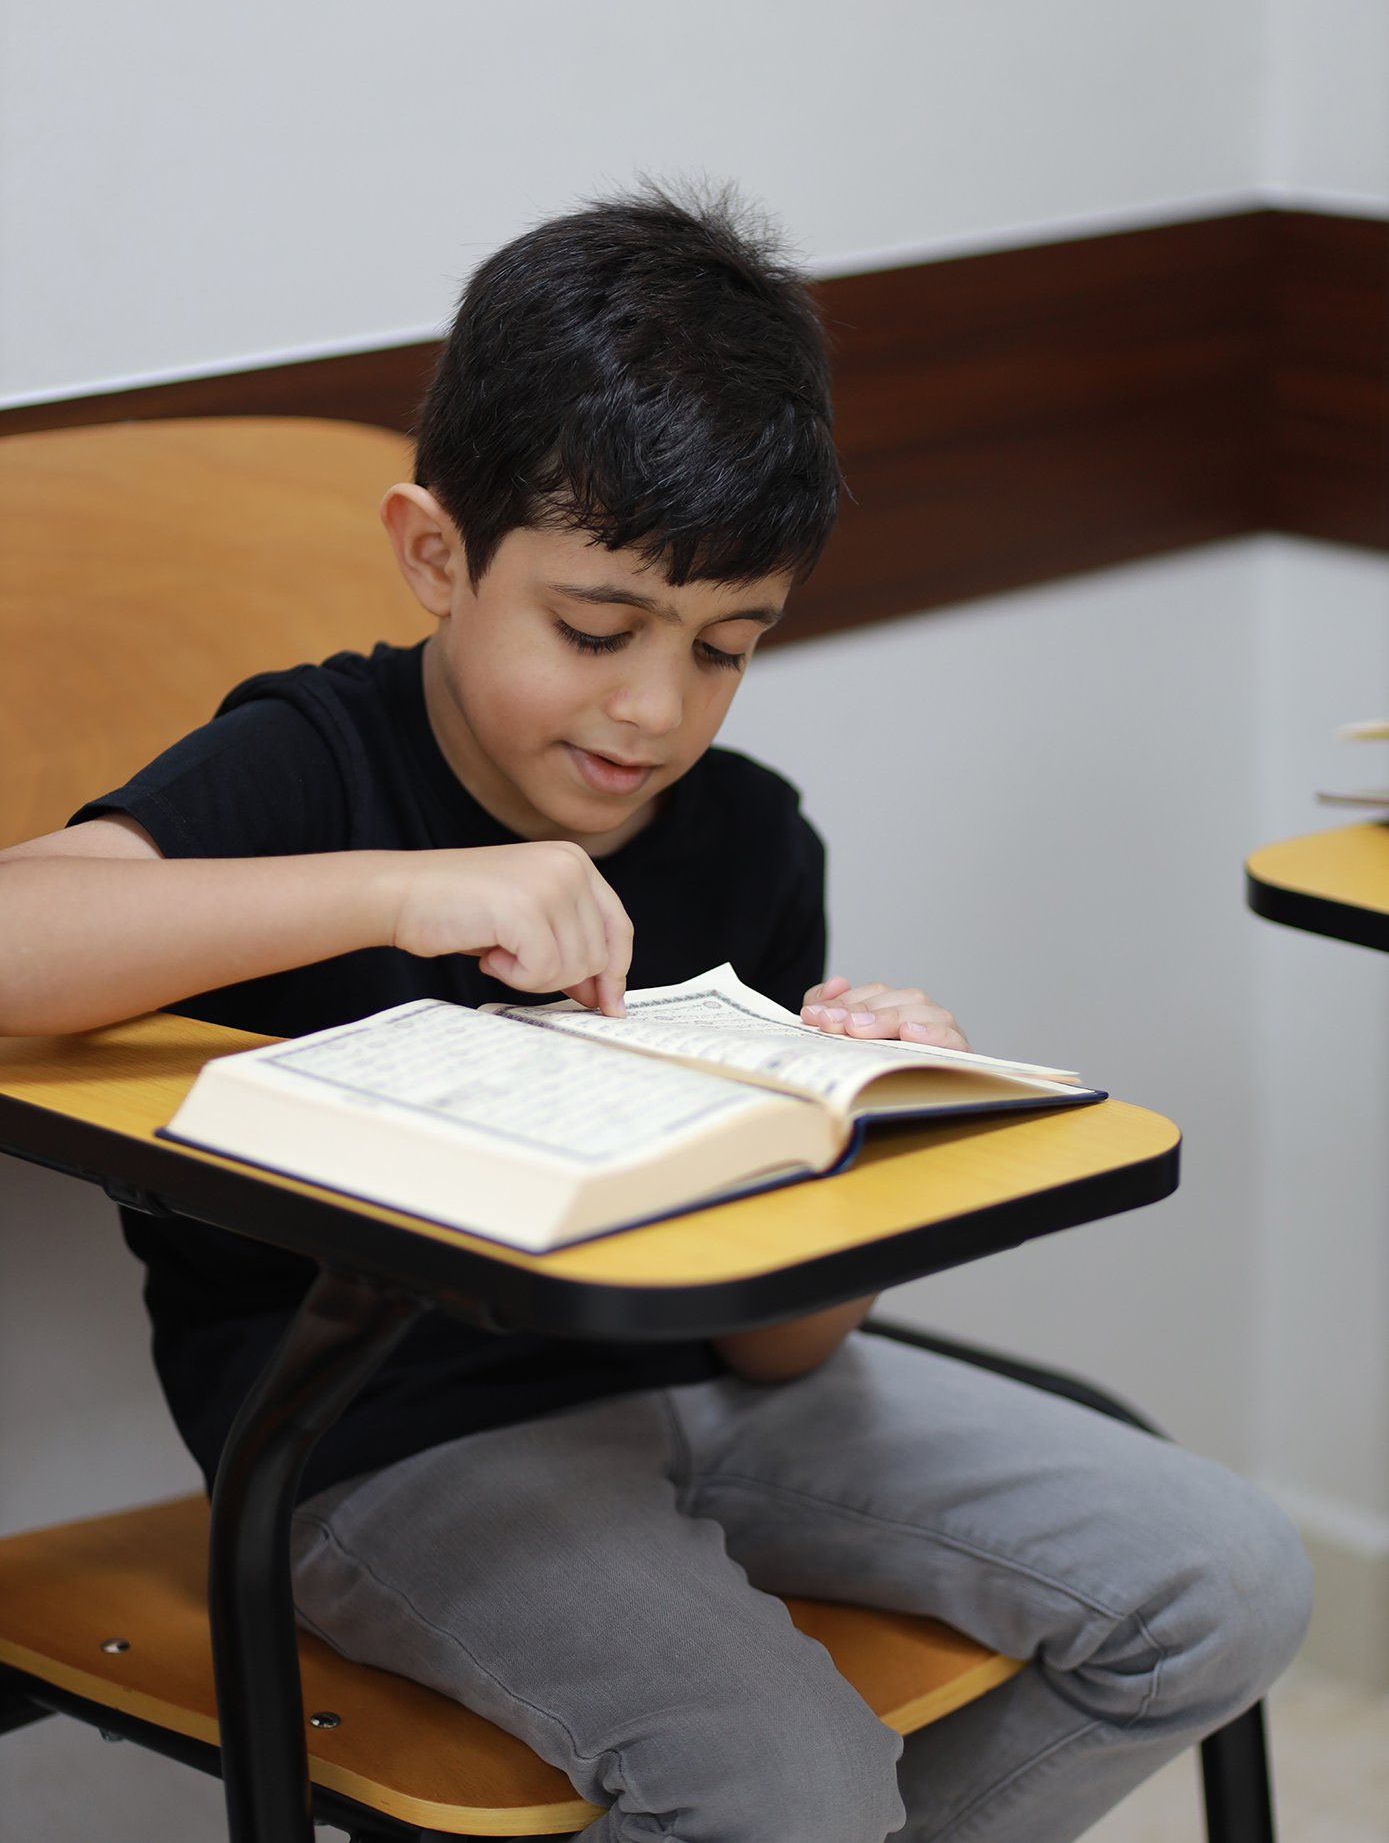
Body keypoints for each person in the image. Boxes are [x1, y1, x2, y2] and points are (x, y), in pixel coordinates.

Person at [0, 187, 1310, 1842]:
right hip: (384, 1440)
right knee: (784, 1778)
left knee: (1223, 1582)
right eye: (595, 629)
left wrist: (855, 1136)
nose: (652, 710)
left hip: (728, 1390)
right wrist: (396, 891)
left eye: (724, 649)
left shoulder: (750, 835)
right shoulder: (312, 762)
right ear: (435, 556)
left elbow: (782, 1344)